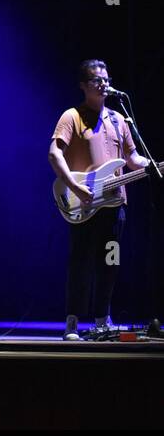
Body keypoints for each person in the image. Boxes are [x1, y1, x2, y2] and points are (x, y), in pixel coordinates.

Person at [48, 59, 149, 340]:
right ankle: (72, 322)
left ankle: (103, 320)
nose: (103, 84)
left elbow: (132, 158)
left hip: (114, 203)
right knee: (80, 262)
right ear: (83, 85)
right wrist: (75, 187)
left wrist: (152, 164)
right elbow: (54, 154)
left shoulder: (119, 120)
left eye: (105, 79)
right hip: (83, 200)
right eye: (96, 80)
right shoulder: (72, 116)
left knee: (110, 263)